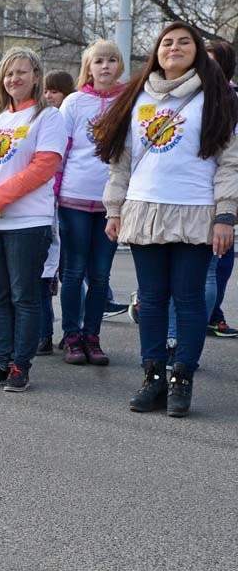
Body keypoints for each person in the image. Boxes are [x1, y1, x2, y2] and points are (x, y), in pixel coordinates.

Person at [98, 21, 238, 417]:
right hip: (144, 210)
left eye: (183, 42)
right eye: (166, 43)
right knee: (153, 299)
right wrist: (114, 208)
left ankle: (182, 379)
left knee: (190, 299)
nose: (173, 48)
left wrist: (225, 216)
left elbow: (230, 162)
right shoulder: (137, 97)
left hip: (196, 212)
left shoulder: (218, 96)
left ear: (197, 50)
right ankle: (153, 375)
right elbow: (120, 163)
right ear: (156, 52)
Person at [0, 47, 67, 392]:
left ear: (37, 76)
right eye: (9, 73)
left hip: (28, 221)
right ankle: (1, 361)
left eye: (22, 72)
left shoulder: (47, 117)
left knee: (24, 296)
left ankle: (21, 365)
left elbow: (44, 166)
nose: (14, 78)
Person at [56, 39, 127, 366]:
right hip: (74, 197)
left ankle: (92, 337)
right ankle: (71, 336)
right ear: (89, 66)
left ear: (120, 66)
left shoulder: (130, 100)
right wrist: (53, 196)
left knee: (100, 275)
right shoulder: (73, 102)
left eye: (112, 60)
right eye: (99, 61)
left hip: (112, 203)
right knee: (73, 271)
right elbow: (61, 151)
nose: (105, 66)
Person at [206, 38, 238, 336]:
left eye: (212, 61)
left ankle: (213, 313)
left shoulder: (232, 99)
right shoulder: (190, 97)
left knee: (223, 255)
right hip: (198, 187)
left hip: (228, 185)